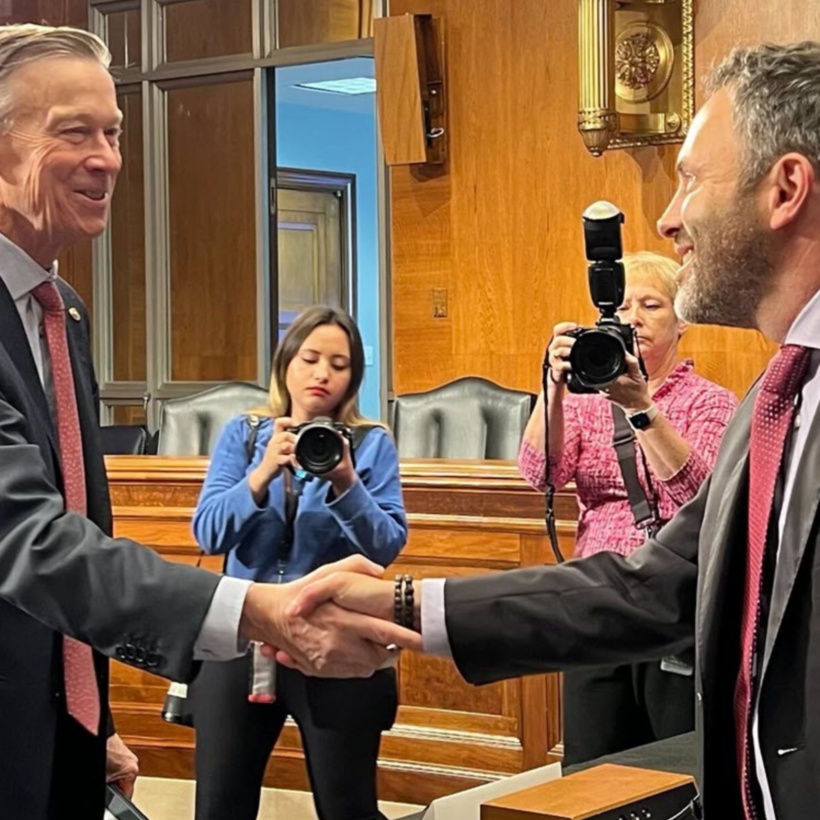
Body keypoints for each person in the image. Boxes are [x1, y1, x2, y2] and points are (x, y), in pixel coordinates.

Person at [283, 41, 820, 820]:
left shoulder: (738, 401)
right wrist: (405, 605)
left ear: (786, 188)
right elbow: (655, 586)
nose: (670, 219)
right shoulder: (777, 400)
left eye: (691, 180)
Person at [0, 24, 416, 820]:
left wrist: (96, 722)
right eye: (74, 132)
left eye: (114, 133)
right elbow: (30, 540)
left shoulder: (63, 313)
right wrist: (258, 611)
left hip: (57, 730)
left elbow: (81, 521)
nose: (108, 159)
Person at [519, 251, 737, 764]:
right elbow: (539, 474)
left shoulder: (712, 402)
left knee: (675, 769)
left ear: (682, 320)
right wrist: (552, 387)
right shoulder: (582, 399)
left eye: (651, 304)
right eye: (622, 305)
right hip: (598, 605)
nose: (633, 316)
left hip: (672, 609)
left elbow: (699, 494)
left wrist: (640, 406)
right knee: (592, 767)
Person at [191, 305, 407, 820]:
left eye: (339, 363)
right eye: (310, 358)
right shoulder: (244, 435)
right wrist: (263, 471)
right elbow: (208, 531)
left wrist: (345, 482)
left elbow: (386, 545)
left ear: (352, 377)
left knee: (347, 805)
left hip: (334, 639)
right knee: (219, 805)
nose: (322, 374)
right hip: (241, 637)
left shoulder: (370, 443)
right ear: (286, 363)